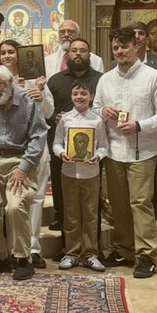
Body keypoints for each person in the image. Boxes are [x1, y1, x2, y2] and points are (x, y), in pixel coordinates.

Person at [93, 27, 157, 279]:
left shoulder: (154, 77)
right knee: (118, 204)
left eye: (124, 46)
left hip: (143, 151)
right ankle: (124, 250)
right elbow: (94, 109)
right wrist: (103, 111)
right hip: (114, 150)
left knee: (140, 203)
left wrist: (140, 125)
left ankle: (146, 255)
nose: (120, 51)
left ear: (136, 47)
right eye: (115, 47)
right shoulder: (105, 79)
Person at [0, 65, 47, 281]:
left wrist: (23, 169)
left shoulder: (29, 101)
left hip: (21, 160)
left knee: (15, 206)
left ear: (10, 83)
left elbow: (38, 137)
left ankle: (24, 259)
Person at [0, 39, 54, 269]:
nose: (7, 56)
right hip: (10, 147)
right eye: (3, 52)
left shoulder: (36, 80)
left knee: (36, 198)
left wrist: (41, 95)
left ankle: (34, 248)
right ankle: (15, 249)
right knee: (12, 199)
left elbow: (49, 112)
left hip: (36, 144)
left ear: (20, 55)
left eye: (11, 52)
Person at [46, 38, 103, 240]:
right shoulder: (55, 80)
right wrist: (55, 117)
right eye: (74, 50)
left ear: (89, 54)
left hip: (93, 149)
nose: (78, 54)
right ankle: (67, 244)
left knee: (92, 202)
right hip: (61, 147)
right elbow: (46, 111)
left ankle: (93, 246)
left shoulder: (101, 80)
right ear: (67, 54)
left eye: (83, 50)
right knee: (63, 197)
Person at [52, 81, 108, 272]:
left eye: (83, 93)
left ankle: (91, 254)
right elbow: (57, 143)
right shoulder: (65, 119)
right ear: (71, 96)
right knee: (71, 214)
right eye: (76, 93)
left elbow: (104, 146)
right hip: (68, 172)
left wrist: (97, 156)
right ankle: (72, 253)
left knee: (91, 214)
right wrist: (61, 154)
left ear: (91, 97)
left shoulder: (97, 120)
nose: (79, 97)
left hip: (90, 173)